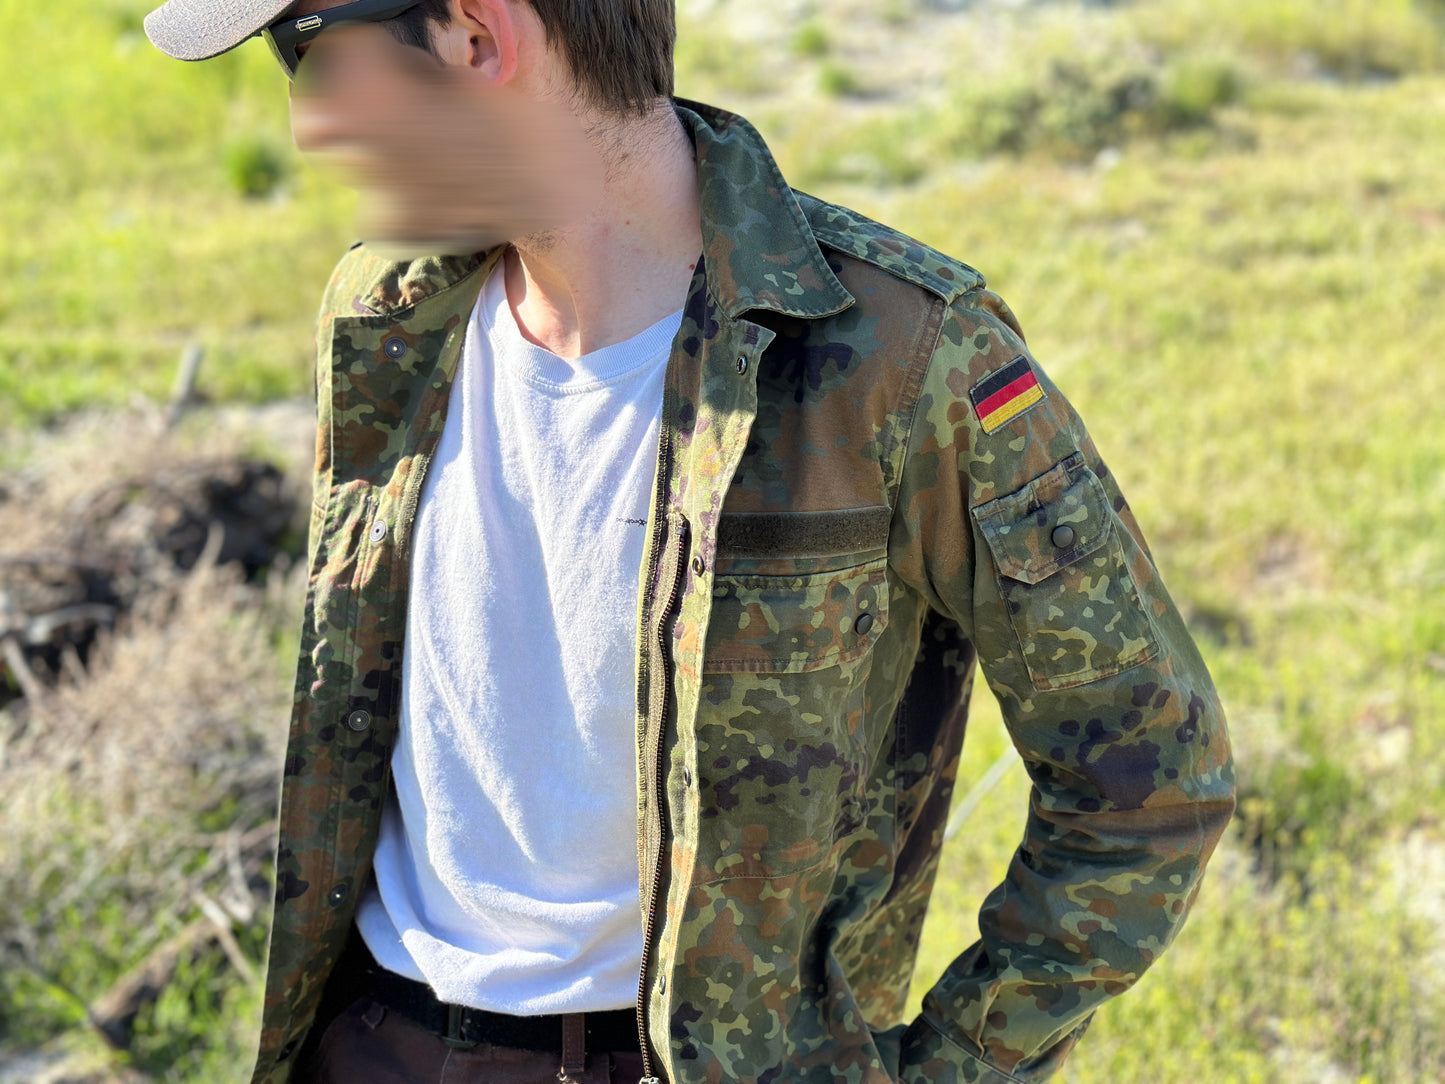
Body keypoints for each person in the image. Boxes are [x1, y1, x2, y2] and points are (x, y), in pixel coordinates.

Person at [143, 2, 1236, 1082]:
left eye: (308, 52)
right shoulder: (384, 312)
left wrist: (952, 1065)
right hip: (373, 1041)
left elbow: (1148, 778)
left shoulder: (903, 355)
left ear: (476, 34)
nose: (309, 124)